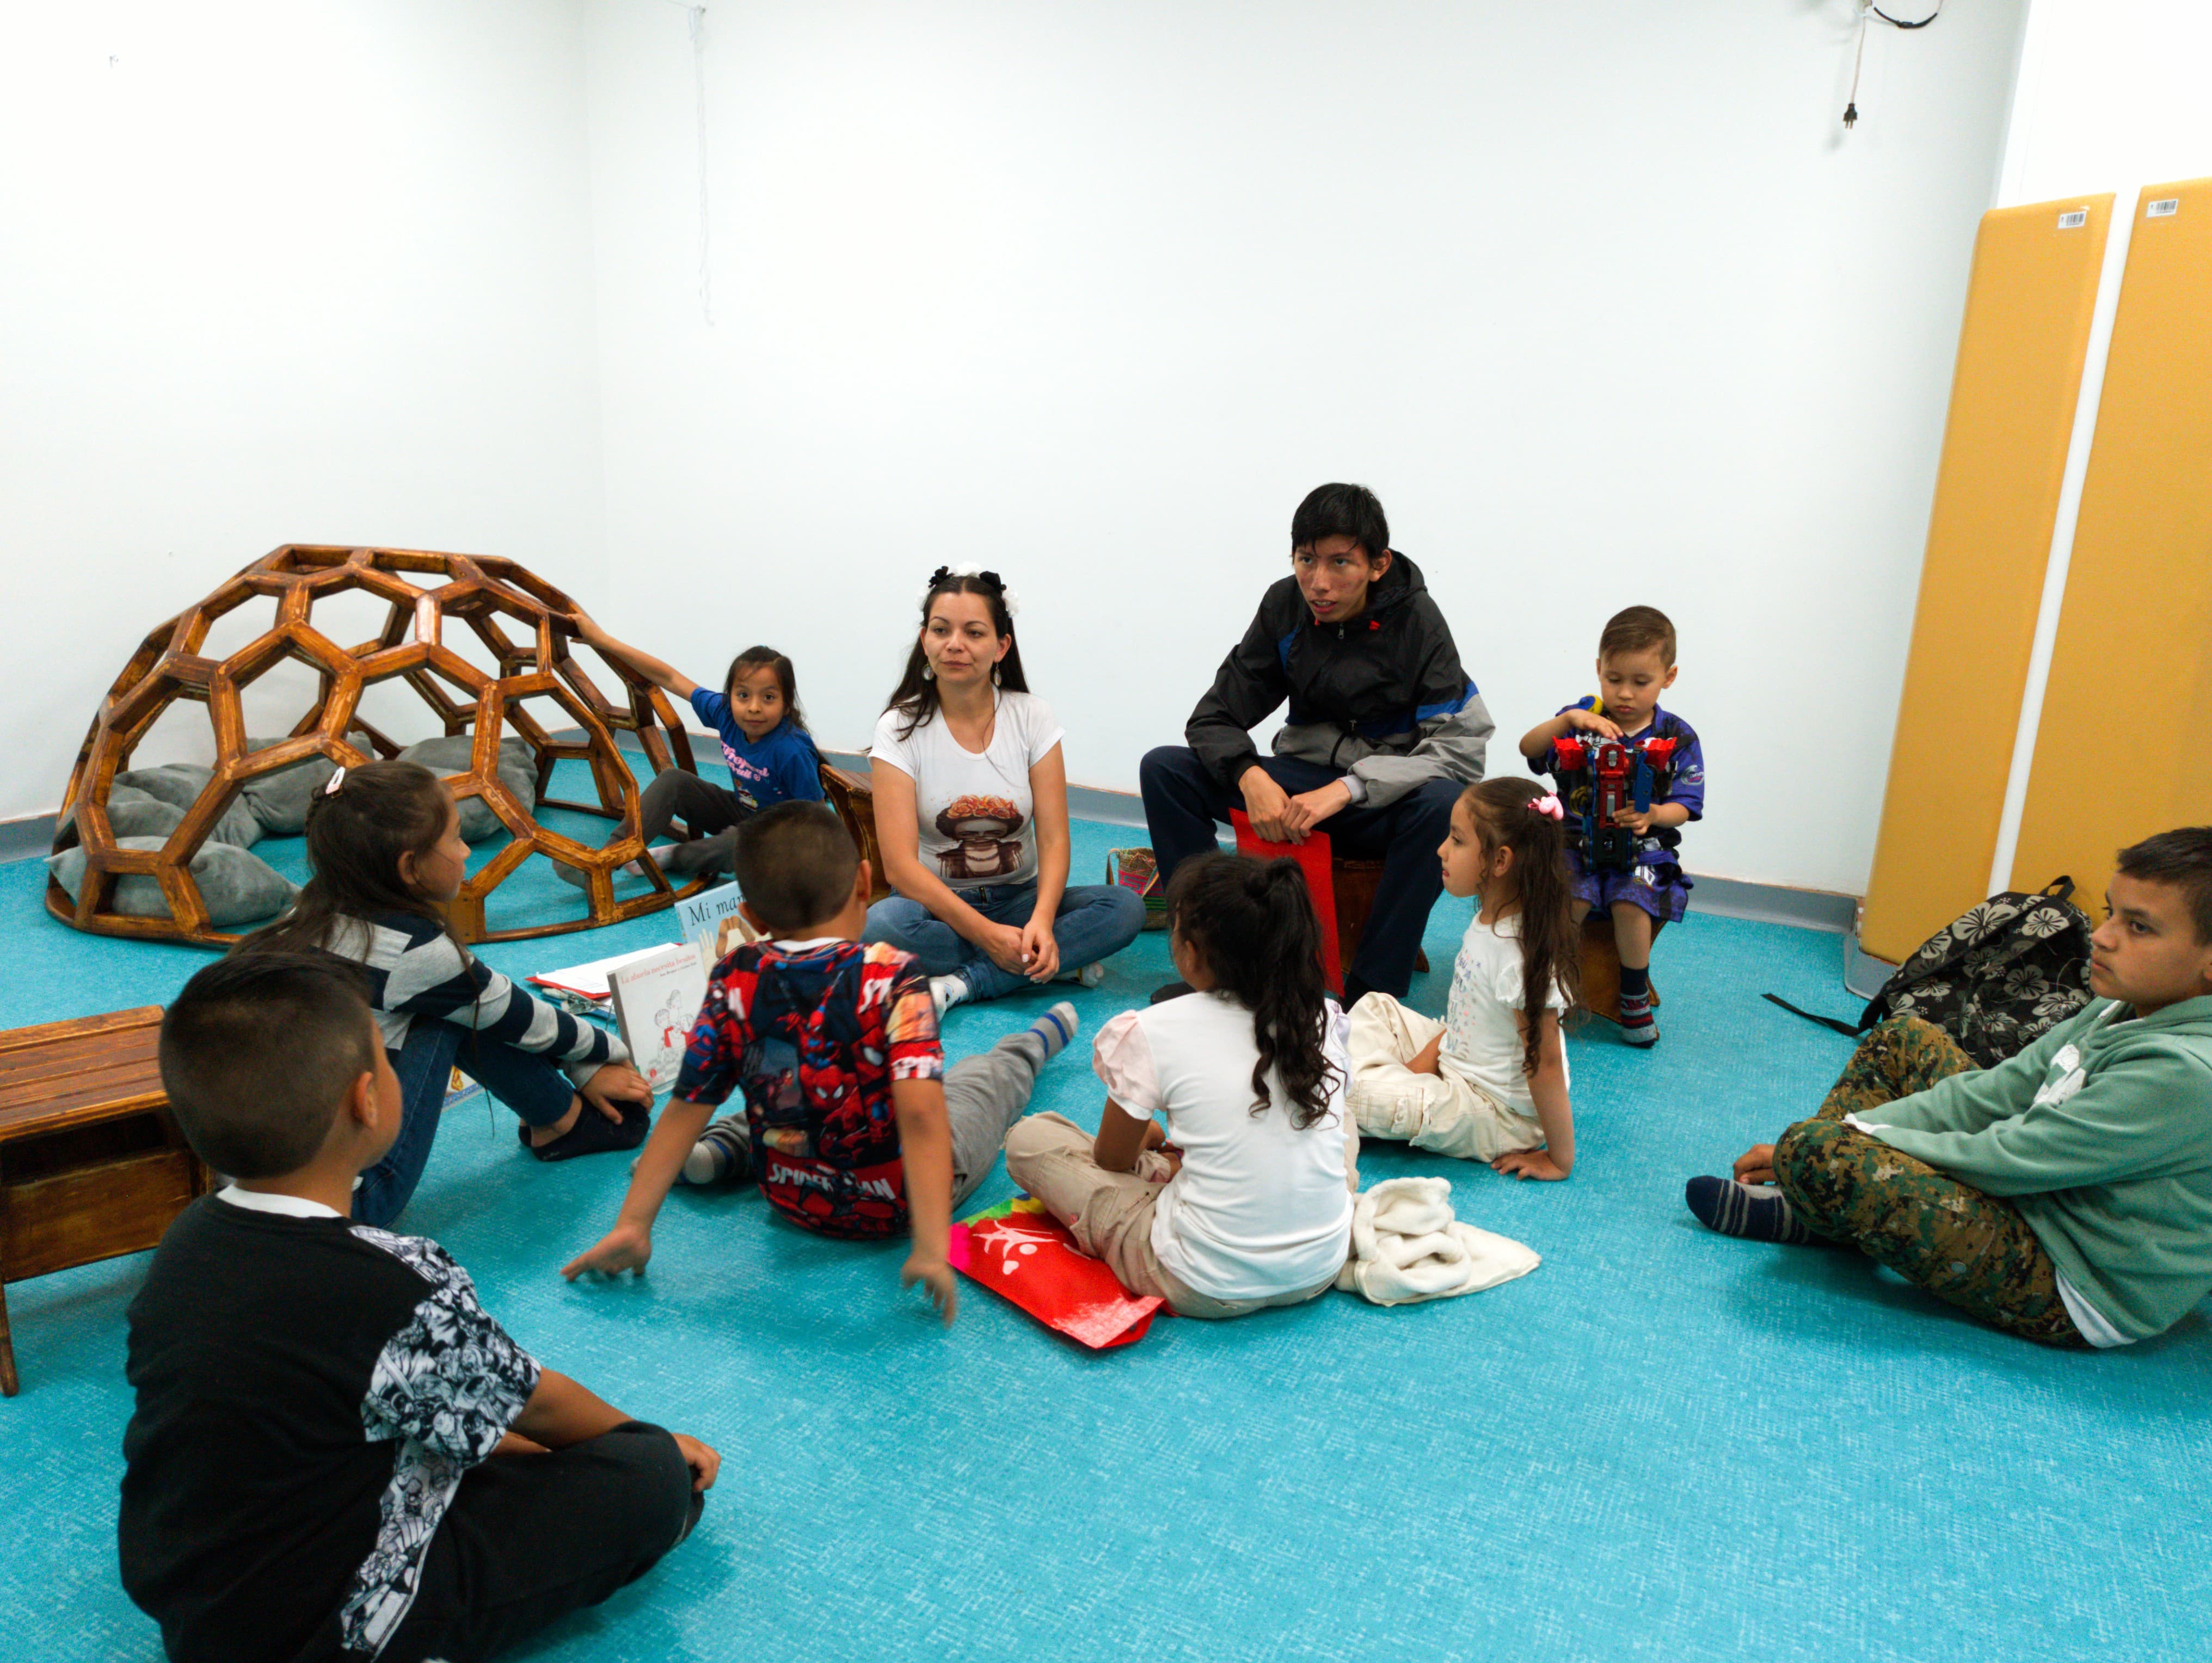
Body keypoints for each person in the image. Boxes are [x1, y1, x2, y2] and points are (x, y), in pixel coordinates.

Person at [119, 952, 717, 1663]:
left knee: (467, 1437)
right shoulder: (391, 1278)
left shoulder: (187, 1241)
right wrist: (645, 1439)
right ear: (368, 1100)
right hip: (333, 1627)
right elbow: (538, 1406)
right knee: (649, 1482)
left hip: (199, 1601)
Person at [1684, 827, 2212, 1349]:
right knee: (1901, 1040)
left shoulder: (2182, 1071)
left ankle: (1818, 1202)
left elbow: (2011, 1157)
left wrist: (1843, 1143)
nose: (2101, 935)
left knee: (1813, 1152)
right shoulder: (2121, 1002)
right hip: (2036, 1195)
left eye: (2139, 927)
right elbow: (2002, 1088)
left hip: (2072, 1279)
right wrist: (1853, 1134)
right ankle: (1820, 1211)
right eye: (2111, 911)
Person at [562, 800, 1082, 1326]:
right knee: (976, 1089)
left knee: (775, 1084)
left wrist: (633, 1225)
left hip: (789, 1196)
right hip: (892, 1209)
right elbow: (923, 1119)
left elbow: (685, 1105)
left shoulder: (735, 975)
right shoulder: (896, 976)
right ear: (864, 882)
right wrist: (928, 1246)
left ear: (751, 917)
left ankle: (724, 1151)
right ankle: (1030, 1046)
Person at [239, 760, 655, 1225]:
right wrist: (602, 1055)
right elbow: (522, 1018)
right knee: (450, 1013)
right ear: (410, 866)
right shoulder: (416, 954)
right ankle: (562, 1122)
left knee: (457, 1001)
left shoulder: (306, 909)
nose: (465, 852)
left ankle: (558, 1120)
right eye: (456, 838)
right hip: (351, 1204)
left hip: (249, 1189)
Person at [1140, 483, 1490, 1004]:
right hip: (1298, 782)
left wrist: (1351, 788)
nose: (1319, 583)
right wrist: (1249, 775)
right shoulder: (1286, 606)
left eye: (1341, 563)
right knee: (1165, 770)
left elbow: (1460, 753)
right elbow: (1214, 716)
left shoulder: (1418, 622)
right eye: (1307, 560)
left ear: (1377, 564)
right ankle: (1215, 965)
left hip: (1377, 802)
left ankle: (1372, 995)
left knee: (1444, 804)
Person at [1003, 852, 1357, 1319]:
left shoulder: (1155, 1028)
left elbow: (1111, 1160)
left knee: (1029, 1140)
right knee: (1338, 1116)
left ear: (1191, 952)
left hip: (1200, 1282)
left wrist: (1151, 1140)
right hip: (1319, 1267)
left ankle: (1179, 1178)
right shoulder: (1322, 1017)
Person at [863, 564, 1146, 1013]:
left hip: (1020, 900)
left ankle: (963, 984)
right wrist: (986, 936)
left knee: (1126, 909)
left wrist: (1043, 920)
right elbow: (899, 868)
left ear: (1001, 646)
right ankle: (1048, 963)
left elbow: (1054, 839)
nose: (955, 644)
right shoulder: (898, 727)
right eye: (941, 630)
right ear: (924, 641)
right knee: (881, 925)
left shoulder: (1032, 716)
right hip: (936, 909)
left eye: (974, 633)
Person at [1343, 778, 1580, 1180]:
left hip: (1493, 1111)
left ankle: (1346, 1080)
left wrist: (1560, 1158)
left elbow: (1546, 1060)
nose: (1441, 850)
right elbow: (1464, 1017)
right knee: (1375, 1006)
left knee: (1353, 1093)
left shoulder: (1519, 953)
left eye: (1456, 840)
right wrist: (1421, 1065)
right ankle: (1360, 1074)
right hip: (1460, 1062)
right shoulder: (1488, 918)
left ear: (1500, 861)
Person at [1518, 604, 1704, 1046]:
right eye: (1614, 679)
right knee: (1572, 898)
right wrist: (1566, 720)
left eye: (1641, 683)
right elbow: (1528, 747)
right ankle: (1549, 990)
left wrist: (1654, 815)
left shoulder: (1677, 735)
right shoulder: (1581, 721)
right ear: (1599, 669)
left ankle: (1634, 993)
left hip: (1640, 847)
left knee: (1631, 901)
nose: (1625, 693)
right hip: (1574, 839)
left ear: (1668, 677)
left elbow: (1686, 802)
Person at [560, 611, 823, 884]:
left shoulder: (791, 749)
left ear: (786, 703)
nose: (754, 707)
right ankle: (606, 860)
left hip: (781, 837)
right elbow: (671, 677)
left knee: (738, 843)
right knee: (674, 782)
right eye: (743, 695)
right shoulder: (725, 714)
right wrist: (601, 640)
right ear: (730, 696)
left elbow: (816, 821)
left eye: (768, 697)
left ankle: (677, 857)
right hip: (744, 812)